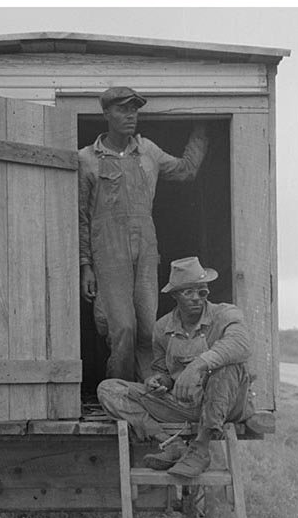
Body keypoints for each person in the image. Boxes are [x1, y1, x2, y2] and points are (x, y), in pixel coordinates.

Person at [79, 87, 208, 381]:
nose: (131, 115)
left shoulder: (148, 151)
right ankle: (118, 393)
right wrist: (86, 265)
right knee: (122, 329)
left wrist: (202, 127)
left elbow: (186, 170)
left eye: (134, 110)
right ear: (106, 113)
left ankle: (148, 393)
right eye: (123, 109)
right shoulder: (87, 159)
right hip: (108, 255)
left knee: (149, 330)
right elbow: (82, 217)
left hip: (146, 250)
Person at [96, 257, 255, 480]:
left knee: (227, 367)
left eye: (202, 292)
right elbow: (163, 371)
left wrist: (197, 366)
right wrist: (159, 381)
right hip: (185, 404)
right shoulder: (162, 328)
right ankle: (171, 444)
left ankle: (200, 449)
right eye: (188, 292)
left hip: (227, 403)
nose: (197, 298)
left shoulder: (225, 314)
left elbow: (241, 344)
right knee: (109, 389)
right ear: (175, 295)